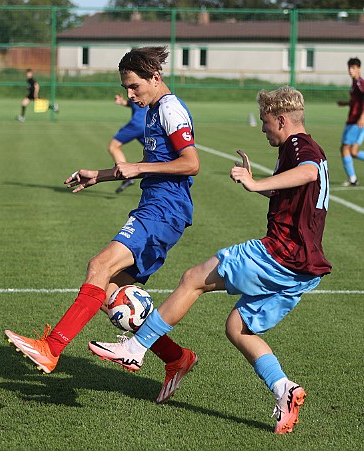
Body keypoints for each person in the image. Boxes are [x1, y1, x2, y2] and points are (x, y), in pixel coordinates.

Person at [89, 86, 332, 434]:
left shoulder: (299, 146)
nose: (263, 129)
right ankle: (285, 390)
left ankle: (136, 347)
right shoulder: (310, 148)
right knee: (238, 327)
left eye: (266, 123)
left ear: (282, 120)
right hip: (305, 267)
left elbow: (308, 172)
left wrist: (255, 182)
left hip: (282, 253)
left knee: (193, 279)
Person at [5, 46, 200, 403]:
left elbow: (191, 164)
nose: (129, 95)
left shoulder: (170, 109)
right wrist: (102, 174)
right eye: (126, 88)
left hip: (164, 211)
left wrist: (138, 168)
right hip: (156, 207)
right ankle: (177, 358)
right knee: (113, 291)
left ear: (155, 78)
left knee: (99, 265)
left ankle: (52, 348)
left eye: (134, 86)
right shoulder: (154, 109)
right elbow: (153, 162)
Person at [109, 94, 148, 193]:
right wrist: (123, 102)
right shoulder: (144, 90)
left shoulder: (137, 90)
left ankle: (127, 176)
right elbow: (133, 104)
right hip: (147, 125)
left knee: (113, 147)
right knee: (154, 151)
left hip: (136, 124)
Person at [337, 57, 364, 186]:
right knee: (352, 151)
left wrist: (362, 117)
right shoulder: (354, 83)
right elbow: (357, 101)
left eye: (353, 68)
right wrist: (346, 103)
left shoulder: (360, 83)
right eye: (349, 68)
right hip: (353, 120)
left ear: (359, 69)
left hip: (356, 121)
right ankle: (353, 179)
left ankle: (352, 179)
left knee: (345, 148)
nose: (350, 70)